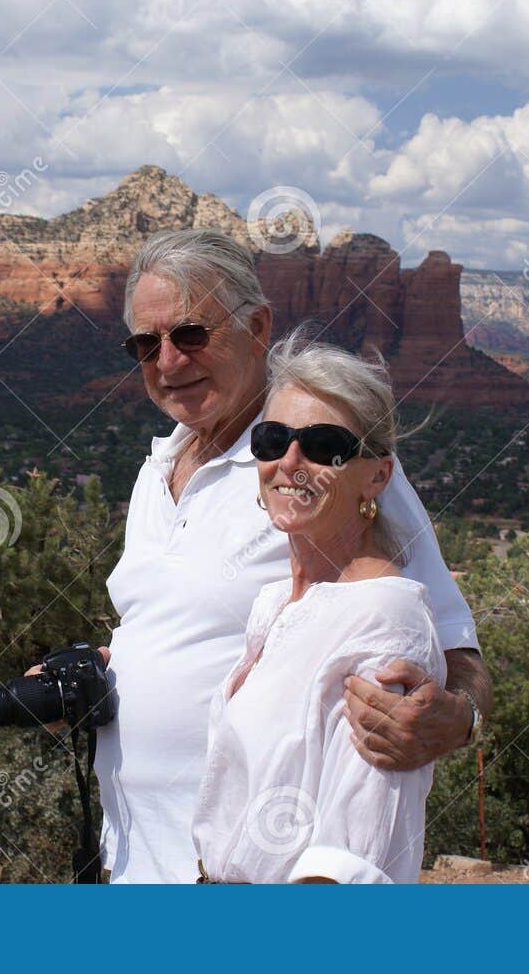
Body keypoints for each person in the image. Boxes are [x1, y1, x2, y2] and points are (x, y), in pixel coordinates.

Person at [94, 228, 491, 883]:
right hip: (134, 861)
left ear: (258, 326)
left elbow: (452, 643)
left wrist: (458, 717)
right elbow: (190, 633)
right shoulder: (157, 466)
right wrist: (112, 676)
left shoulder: (322, 463)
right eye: (145, 344)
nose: (168, 361)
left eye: (190, 335)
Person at [191, 330, 443, 883]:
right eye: (273, 439)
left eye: (326, 445)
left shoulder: (384, 620)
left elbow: (352, 858)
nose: (291, 462)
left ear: (377, 475)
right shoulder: (276, 602)